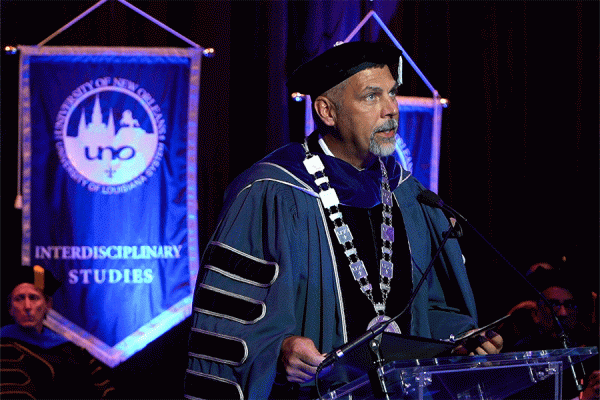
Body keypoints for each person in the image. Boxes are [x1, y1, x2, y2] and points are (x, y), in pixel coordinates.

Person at [184, 41, 502, 399]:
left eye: (392, 94)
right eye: (371, 97)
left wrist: (459, 339)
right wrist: (278, 351)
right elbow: (227, 321)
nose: (391, 110)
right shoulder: (272, 193)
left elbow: (429, 311)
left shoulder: (408, 196)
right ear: (327, 111)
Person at [0, 265, 118, 399]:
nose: (27, 306)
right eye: (19, 299)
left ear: (47, 305)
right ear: (10, 309)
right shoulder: (5, 347)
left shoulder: (72, 349)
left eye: (34, 298)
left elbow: (105, 389)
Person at [499, 262, 599, 400]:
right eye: (553, 304)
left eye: (569, 305)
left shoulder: (588, 351)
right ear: (535, 313)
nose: (563, 313)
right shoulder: (522, 355)